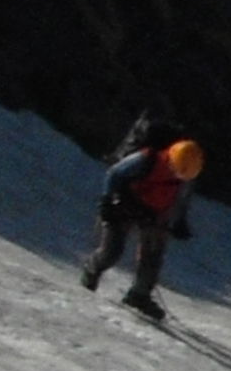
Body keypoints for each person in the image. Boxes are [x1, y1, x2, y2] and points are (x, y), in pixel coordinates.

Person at [80, 123, 205, 319]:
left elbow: (181, 199)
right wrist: (106, 202)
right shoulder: (147, 159)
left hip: (154, 213)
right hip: (125, 204)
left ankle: (139, 295)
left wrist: (179, 221)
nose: (180, 178)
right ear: (171, 160)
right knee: (112, 251)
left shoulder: (184, 172)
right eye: (178, 172)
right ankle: (92, 268)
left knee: (153, 256)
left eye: (185, 176)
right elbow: (114, 173)